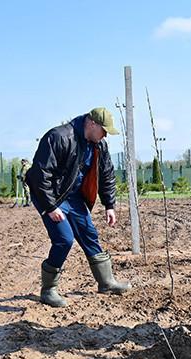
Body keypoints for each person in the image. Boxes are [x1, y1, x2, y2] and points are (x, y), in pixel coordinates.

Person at [25, 107, 131, 307]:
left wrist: (110, 204)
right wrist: (50, 206)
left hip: (74, 198)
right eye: (104, 130)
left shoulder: (99, 145)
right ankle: (48, 290)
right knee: (64, 239)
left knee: (89, 234)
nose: (105, 135)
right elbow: (40, 175)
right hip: (52, 197)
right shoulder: (59, 137)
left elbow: (106, 173)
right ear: (91, 123)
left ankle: (106, 282)